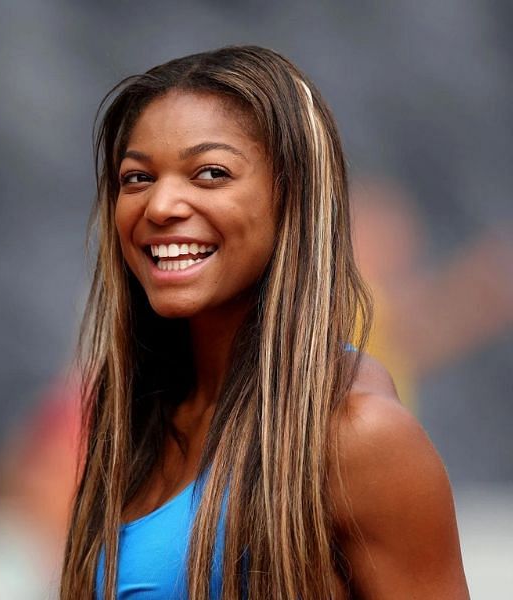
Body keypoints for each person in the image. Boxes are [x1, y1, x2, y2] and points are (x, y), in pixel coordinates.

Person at [58, 47, 469, 599]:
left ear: (291, 196)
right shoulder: (137, 411)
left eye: (211, 173)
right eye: (137, 178)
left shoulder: (357, 437)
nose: (160, 205)